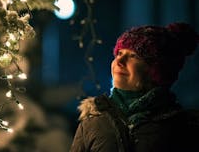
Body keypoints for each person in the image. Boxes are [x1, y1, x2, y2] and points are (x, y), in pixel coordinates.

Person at [70, 22, 199, 152]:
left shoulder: (182, 128)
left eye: (133, 56)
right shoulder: (93, 121)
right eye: (119, 53)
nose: (119, 61)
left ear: (156, 71)